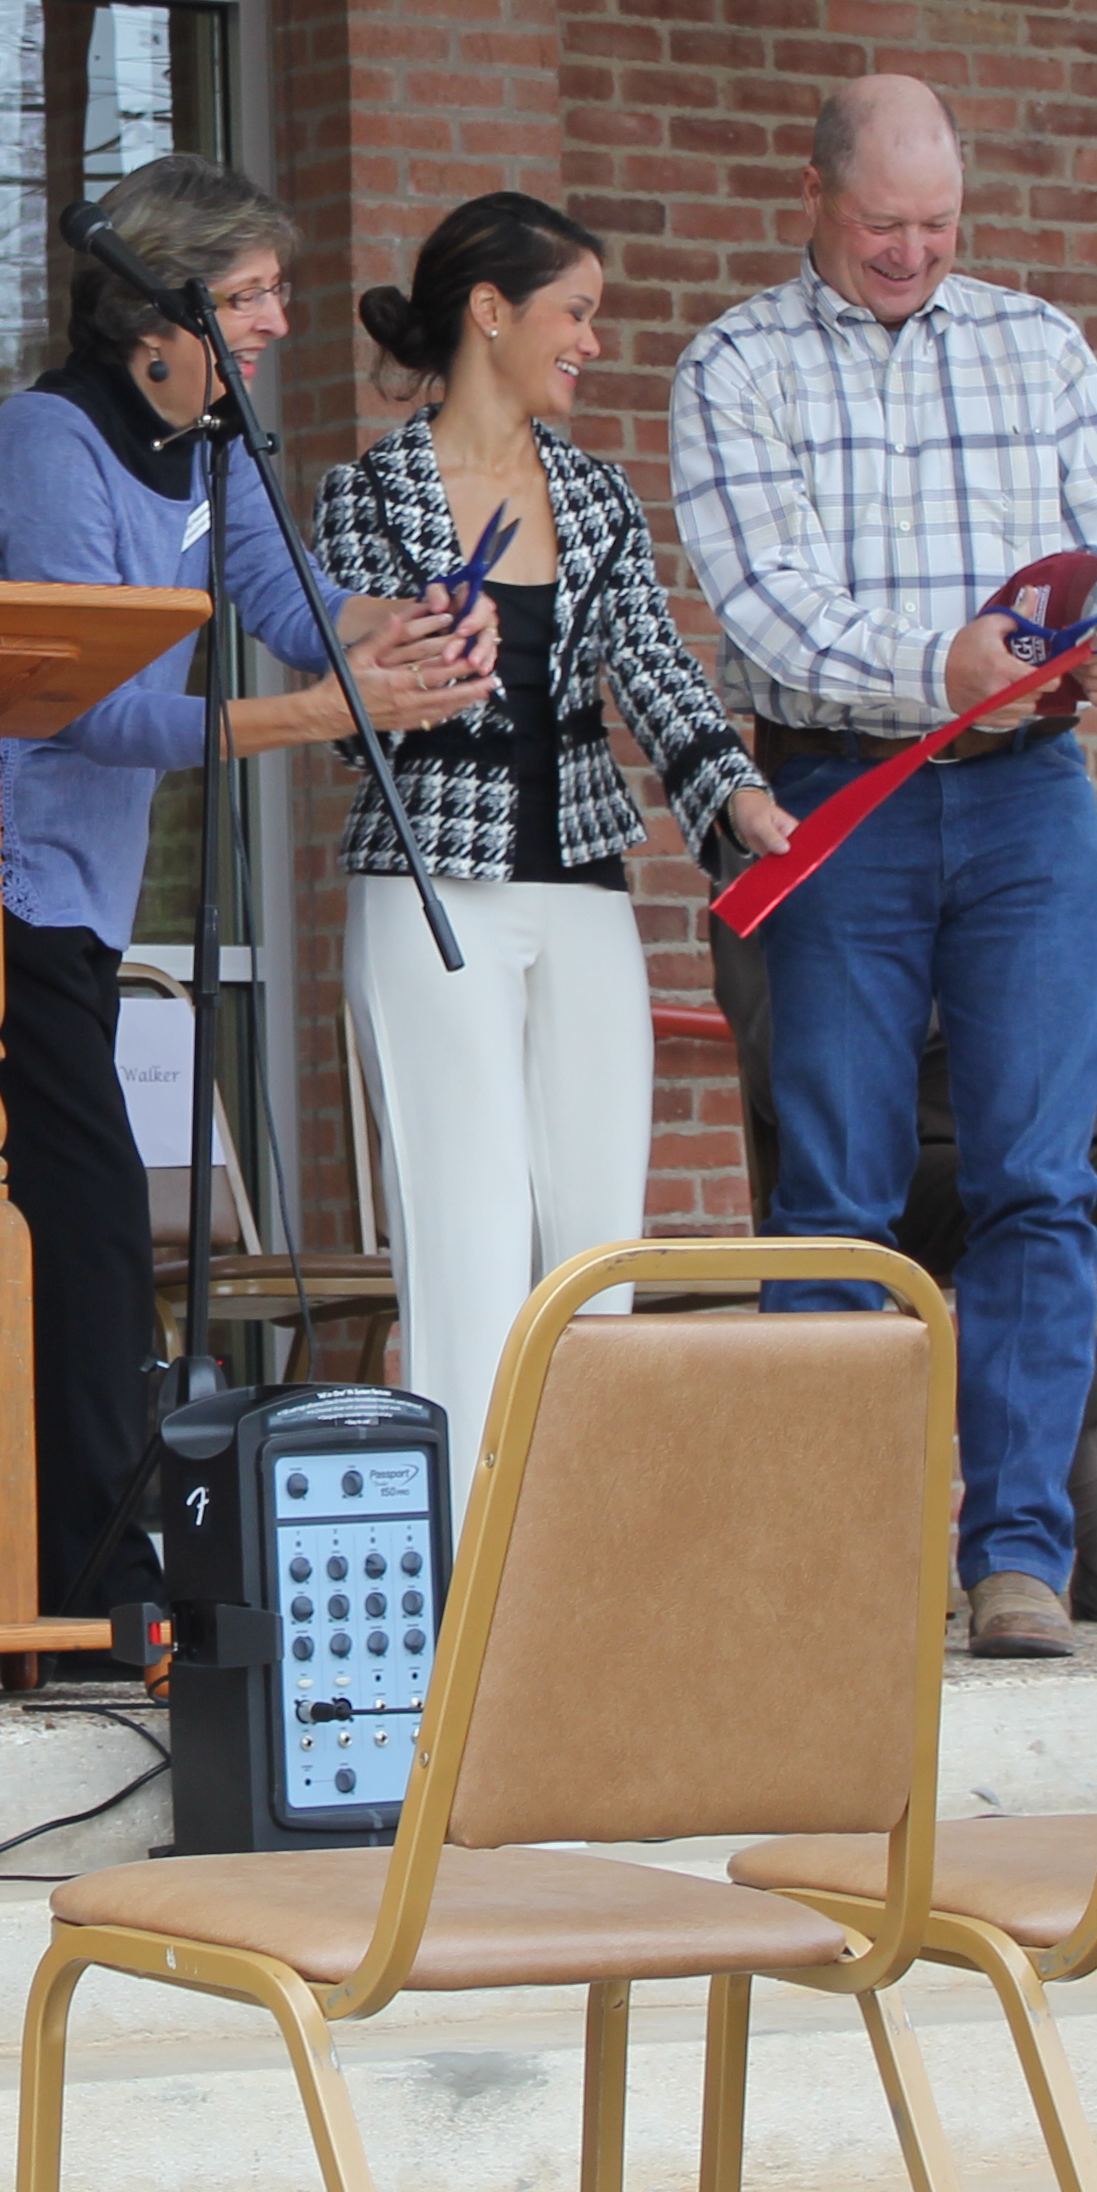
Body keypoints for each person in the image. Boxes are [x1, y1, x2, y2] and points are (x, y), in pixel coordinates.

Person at [0, 157, 482, 1624]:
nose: (272, 322)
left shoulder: (212, 446)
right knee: (77, 1224)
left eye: (273, 294)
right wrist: (328, 718)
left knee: (80, 1226)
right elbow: (99, 710)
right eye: (248, 295)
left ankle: (77, 1560)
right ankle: (89, 1572)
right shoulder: (49, 445)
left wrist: (413, 624)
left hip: (73, 892)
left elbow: (294, 606)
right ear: (158, 310)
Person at [669, 70, 1097, 1661]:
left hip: (1034, 801)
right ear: (815, 200)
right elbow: (762, 604)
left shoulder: (1035, 342)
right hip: (841, 794)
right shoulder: (734, 363)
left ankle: (1019, 1555)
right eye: (885, 224)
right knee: (839, 1188)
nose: (913, 252)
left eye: (940, 223)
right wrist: (938, 668)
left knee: (1042, 1178)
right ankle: (839, 1559)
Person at [317, 193, 793, 1445]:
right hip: (429, 889)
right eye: (575, 313)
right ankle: (468, 1566)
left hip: (581, 884)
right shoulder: (367, 494)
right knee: (465, 1236)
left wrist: (738, 798)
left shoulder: (594, 495)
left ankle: (576, 1558)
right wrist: (425, 645)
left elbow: (657, 666)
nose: (592, 340)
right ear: (492, 312)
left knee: (597, 1243)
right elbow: (351, 694)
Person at [711, 937, 1097, 1620]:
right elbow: (783, 1045)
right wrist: (1000, 986)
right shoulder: (789, 869)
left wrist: (1033, 989)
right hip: (908, 1166)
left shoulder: (1011, 865)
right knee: (1027, 1204)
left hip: (1078, 1150)